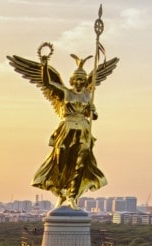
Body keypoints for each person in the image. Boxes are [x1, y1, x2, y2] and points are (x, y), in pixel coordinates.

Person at [8, 39, 119, 209]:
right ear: (73, 80)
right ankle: (60, 192)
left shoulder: (88, 96)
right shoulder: (64, 93)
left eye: (84, 80)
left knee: (81, 163)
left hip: (83, 131)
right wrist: (44, 65)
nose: (81, 83)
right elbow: (47, 83)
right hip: (66, 130)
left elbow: (93, 116)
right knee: (61, 163)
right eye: (78, 80)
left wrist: (93, 110)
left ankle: (73, 196)